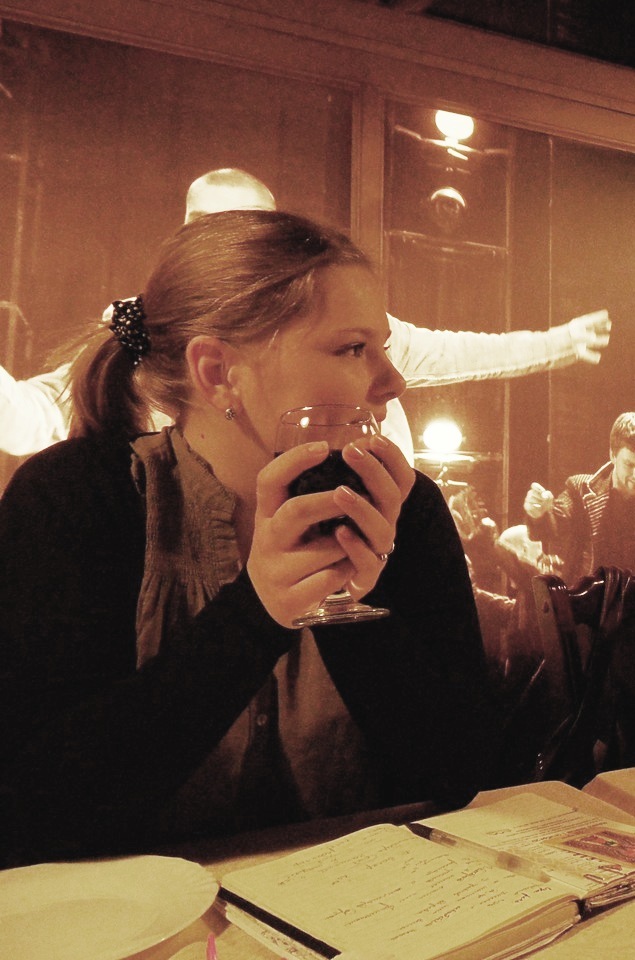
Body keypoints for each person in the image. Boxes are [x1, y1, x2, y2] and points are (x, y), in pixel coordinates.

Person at [0, 209, 498, 867]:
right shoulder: (76, 498)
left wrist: (347, 606)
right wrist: (256, 615)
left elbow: (460, 770)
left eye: (382, 346)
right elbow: (35, 812)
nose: (392, 382)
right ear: (218, 373)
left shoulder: (405, 509)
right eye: (353, 348)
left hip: (359, 904)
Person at [0, 169, 612, 461]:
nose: (225, 242)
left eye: (245, 226)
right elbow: (34, 414)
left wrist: (558, 343)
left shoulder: (336, 317)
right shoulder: (138, 333)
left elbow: (453, 352)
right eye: (209, 225)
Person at [524, 412, 635, 586]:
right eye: (629, 464)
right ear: (612, 455)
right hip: (589, 599)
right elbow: (554, 526)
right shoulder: (581, 490)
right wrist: (539, 513)